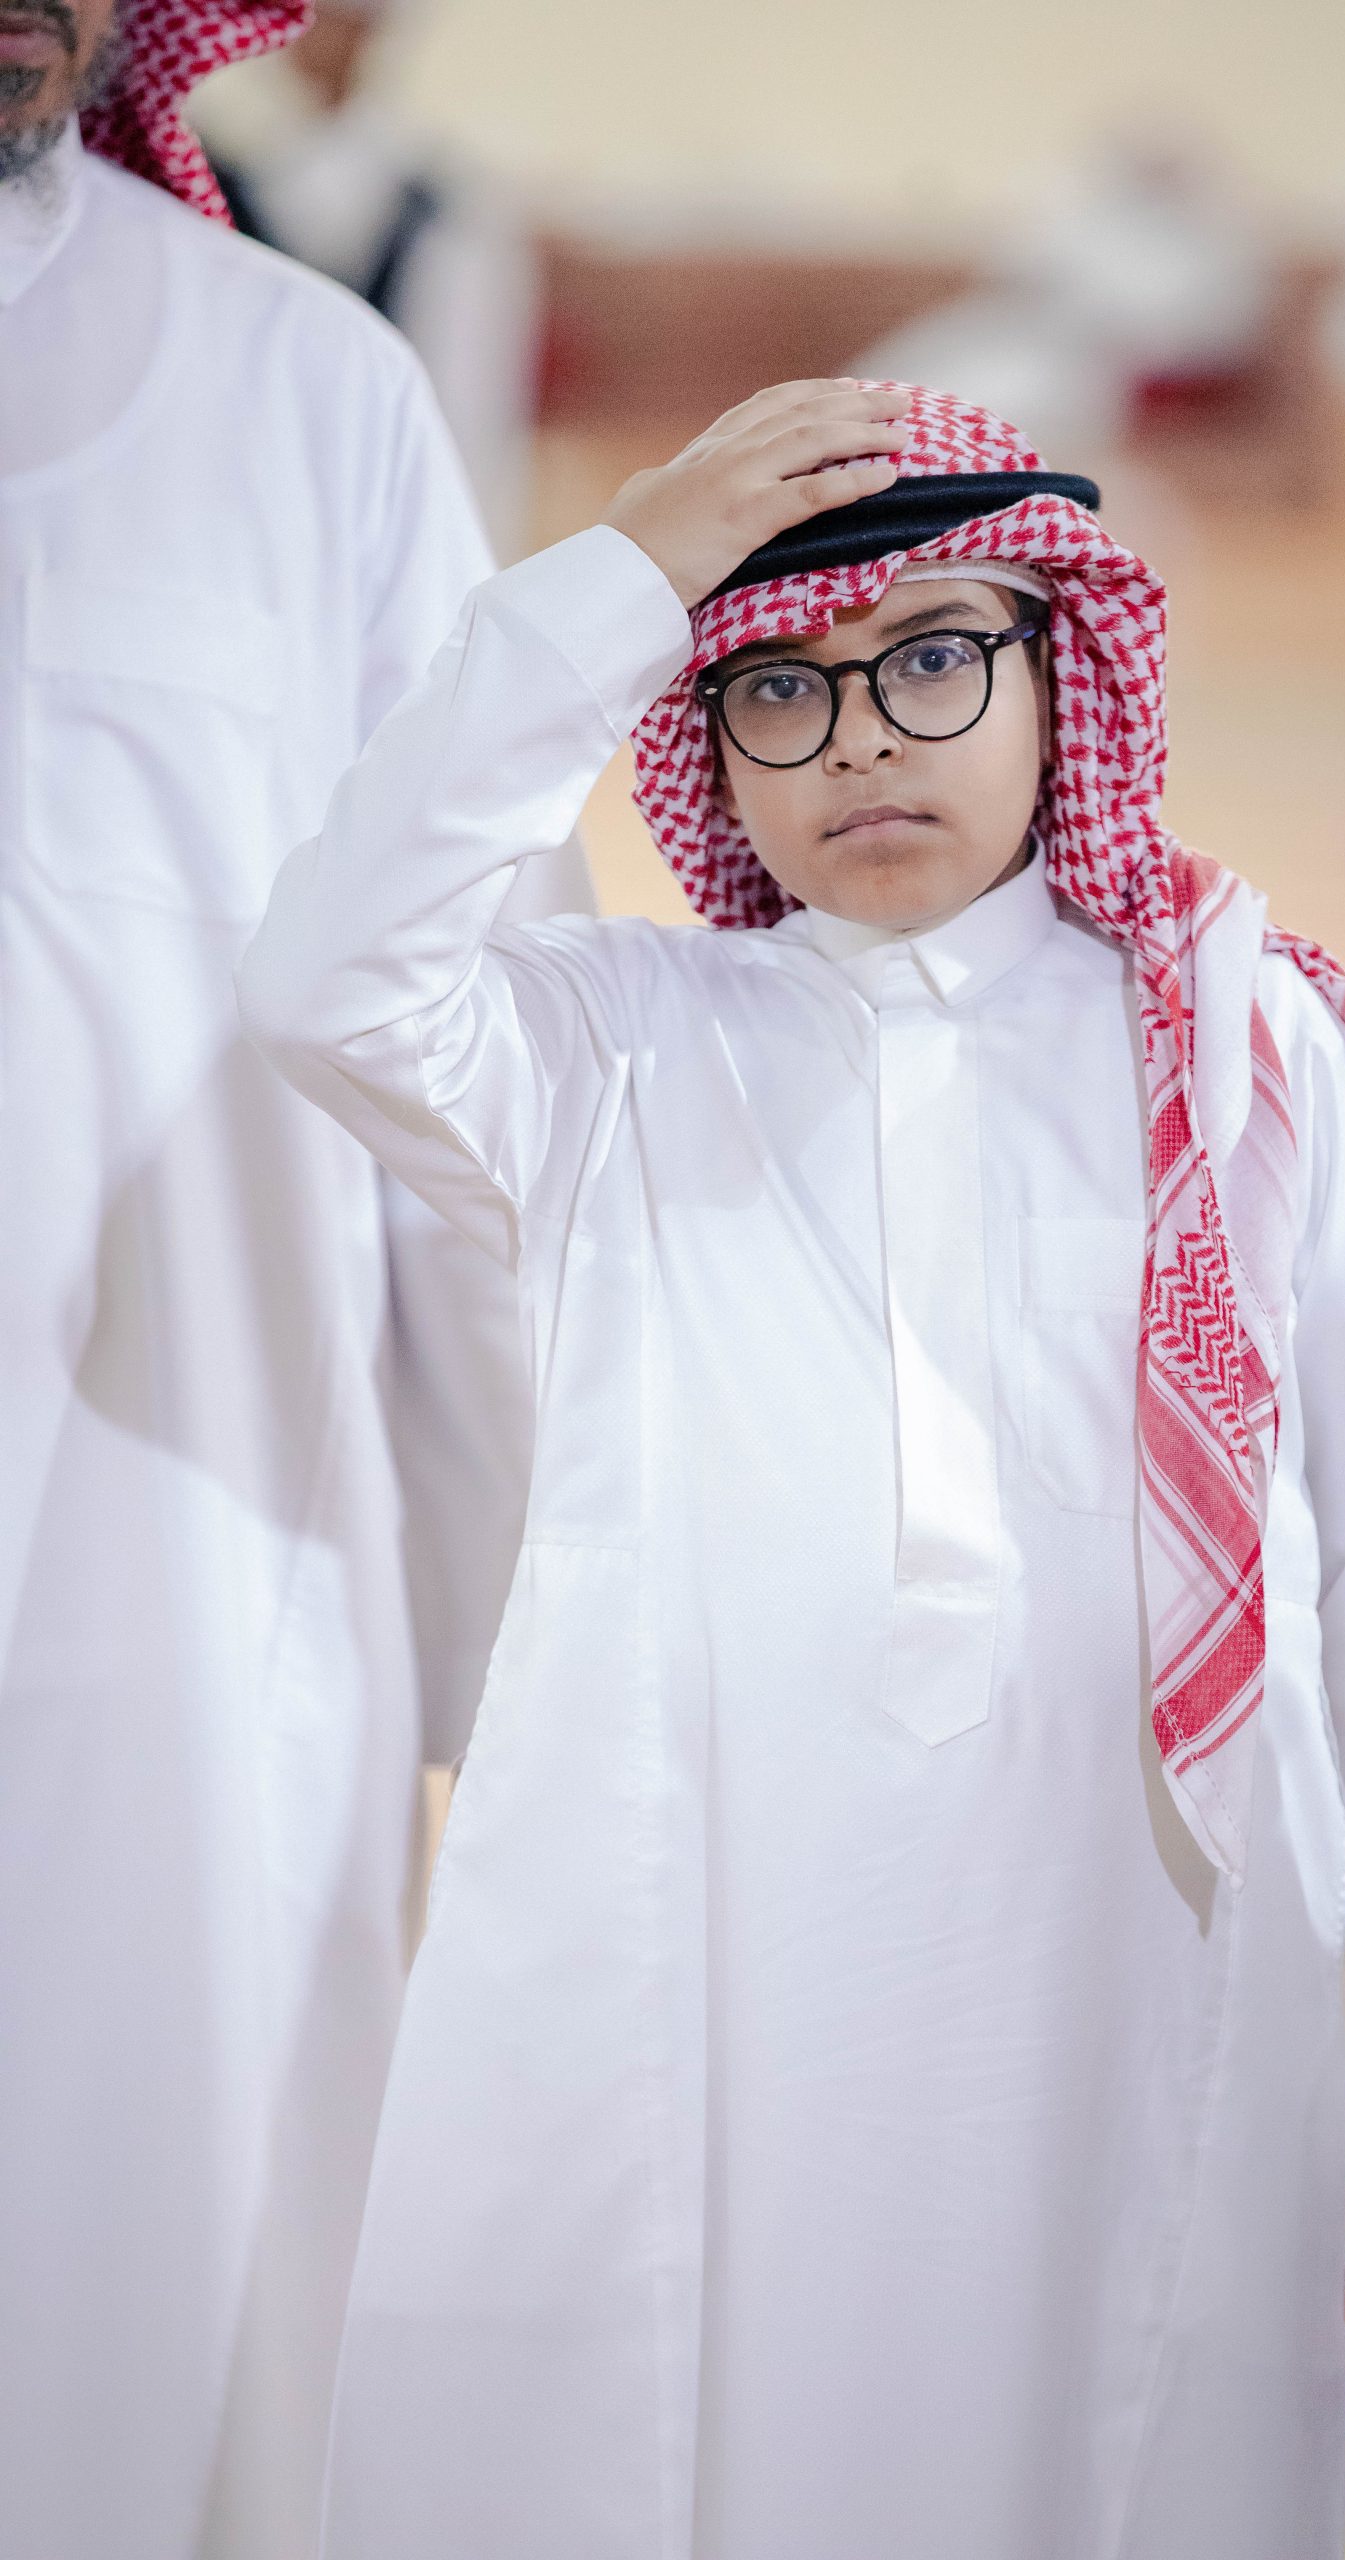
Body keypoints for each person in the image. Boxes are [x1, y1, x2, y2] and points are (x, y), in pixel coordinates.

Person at [239, 378, 1345, 2559]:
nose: (860, 737)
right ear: (702, 743)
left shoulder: (1246, 1052)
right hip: (710, 1958)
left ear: (1062, 674)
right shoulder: (611, 1041)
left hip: (1135, 1959)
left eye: (931, 658)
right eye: (776, 687)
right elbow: (324, 982)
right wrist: (620, 583)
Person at [0, 6, 541, 2555]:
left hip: (192, 1558)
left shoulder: (308, 397)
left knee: (173, 2265)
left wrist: (547, 1631)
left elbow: (467, 1047)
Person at [195, 0, 545, 560]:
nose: (321, 37)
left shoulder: (449, 210)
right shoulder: (208, 184)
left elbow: (473, 417)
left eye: (343, 21)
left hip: (387, 533)